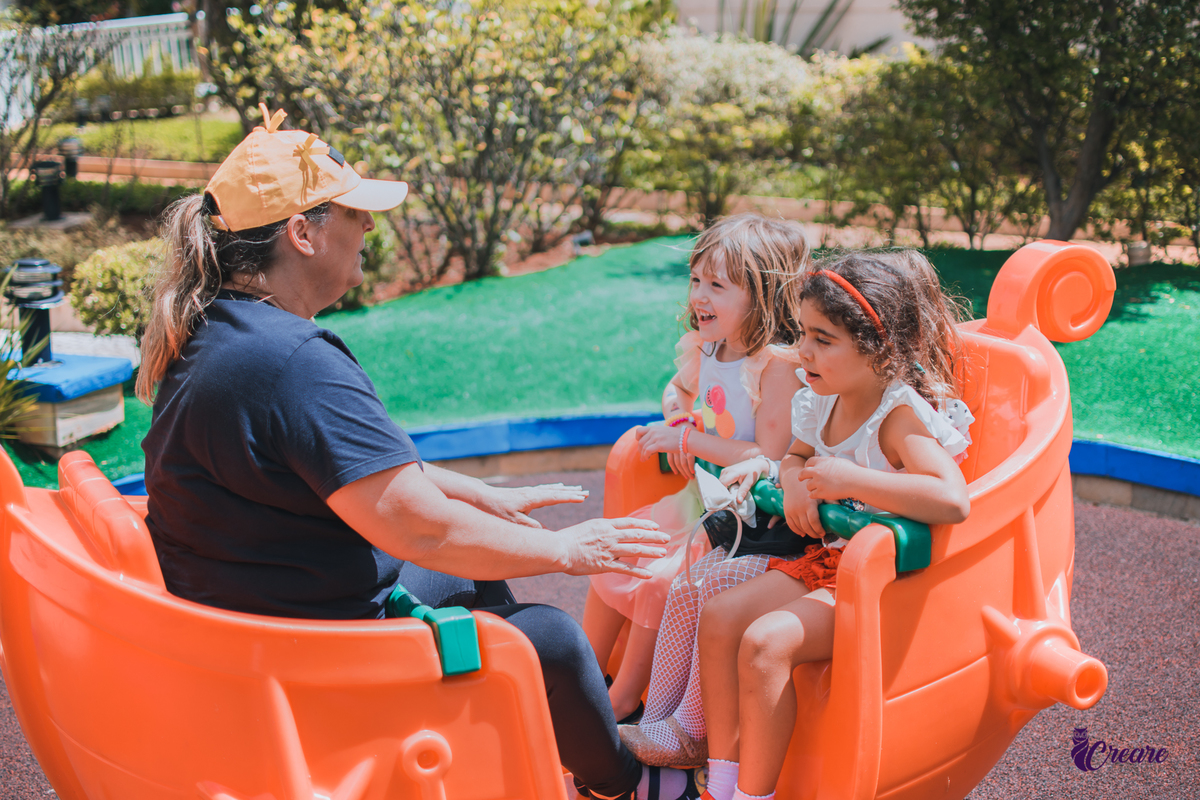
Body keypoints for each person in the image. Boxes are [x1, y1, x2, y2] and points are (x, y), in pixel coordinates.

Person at [136, 106, 696, 800]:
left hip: (259, 631)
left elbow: (327, 461)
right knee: (547, 638)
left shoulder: (219, 333)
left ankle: (498, 754)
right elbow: (419, 529)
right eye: (353, 212)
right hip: (317, 655)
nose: (369, 227)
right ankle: (625, 783)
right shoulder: (296, 361)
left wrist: (473, 491)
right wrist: (570, 549)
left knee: (479, 586)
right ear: (302, 233)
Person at [692, 250, 975, 800]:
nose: (803, 352)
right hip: (829, 562)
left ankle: (753, 796)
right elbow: (796, 456)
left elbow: (951, 498)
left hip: (881, 584)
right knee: (720, 617)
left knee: (766, 643)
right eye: (803, 333)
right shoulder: (819, 401)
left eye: (823, 340)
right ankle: (721, 783)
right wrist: (794, 479)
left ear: (878, 349)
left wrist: (850, 480)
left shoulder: (897, 416)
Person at [583, 214, 809, 727]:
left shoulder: (775, 366)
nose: (698, 296)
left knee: (662, 579)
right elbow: (679, 390)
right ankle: (585, 674)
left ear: (763, 295)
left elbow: (768, 455)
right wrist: (680, 416)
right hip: (697, 497)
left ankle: (624, 700)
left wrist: (689, 438)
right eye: (695, 281)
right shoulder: (710, 346)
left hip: (738, 516)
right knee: (617, 547)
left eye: (717, 285)